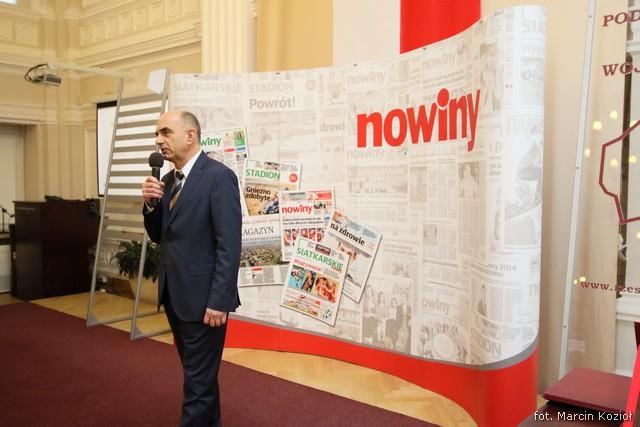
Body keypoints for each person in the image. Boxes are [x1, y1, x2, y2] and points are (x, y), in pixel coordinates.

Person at [142, 110, 241, 427]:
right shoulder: (168, 180)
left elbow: (229, 245)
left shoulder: (219, 177)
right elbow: (159, 235)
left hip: (205, 302)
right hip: (175, 297)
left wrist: (219, 301)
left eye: (165, 132)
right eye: (157, 134)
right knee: (200, 377)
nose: (159, 140)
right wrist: (151, 205)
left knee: (198, 384)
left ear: (190, 135)